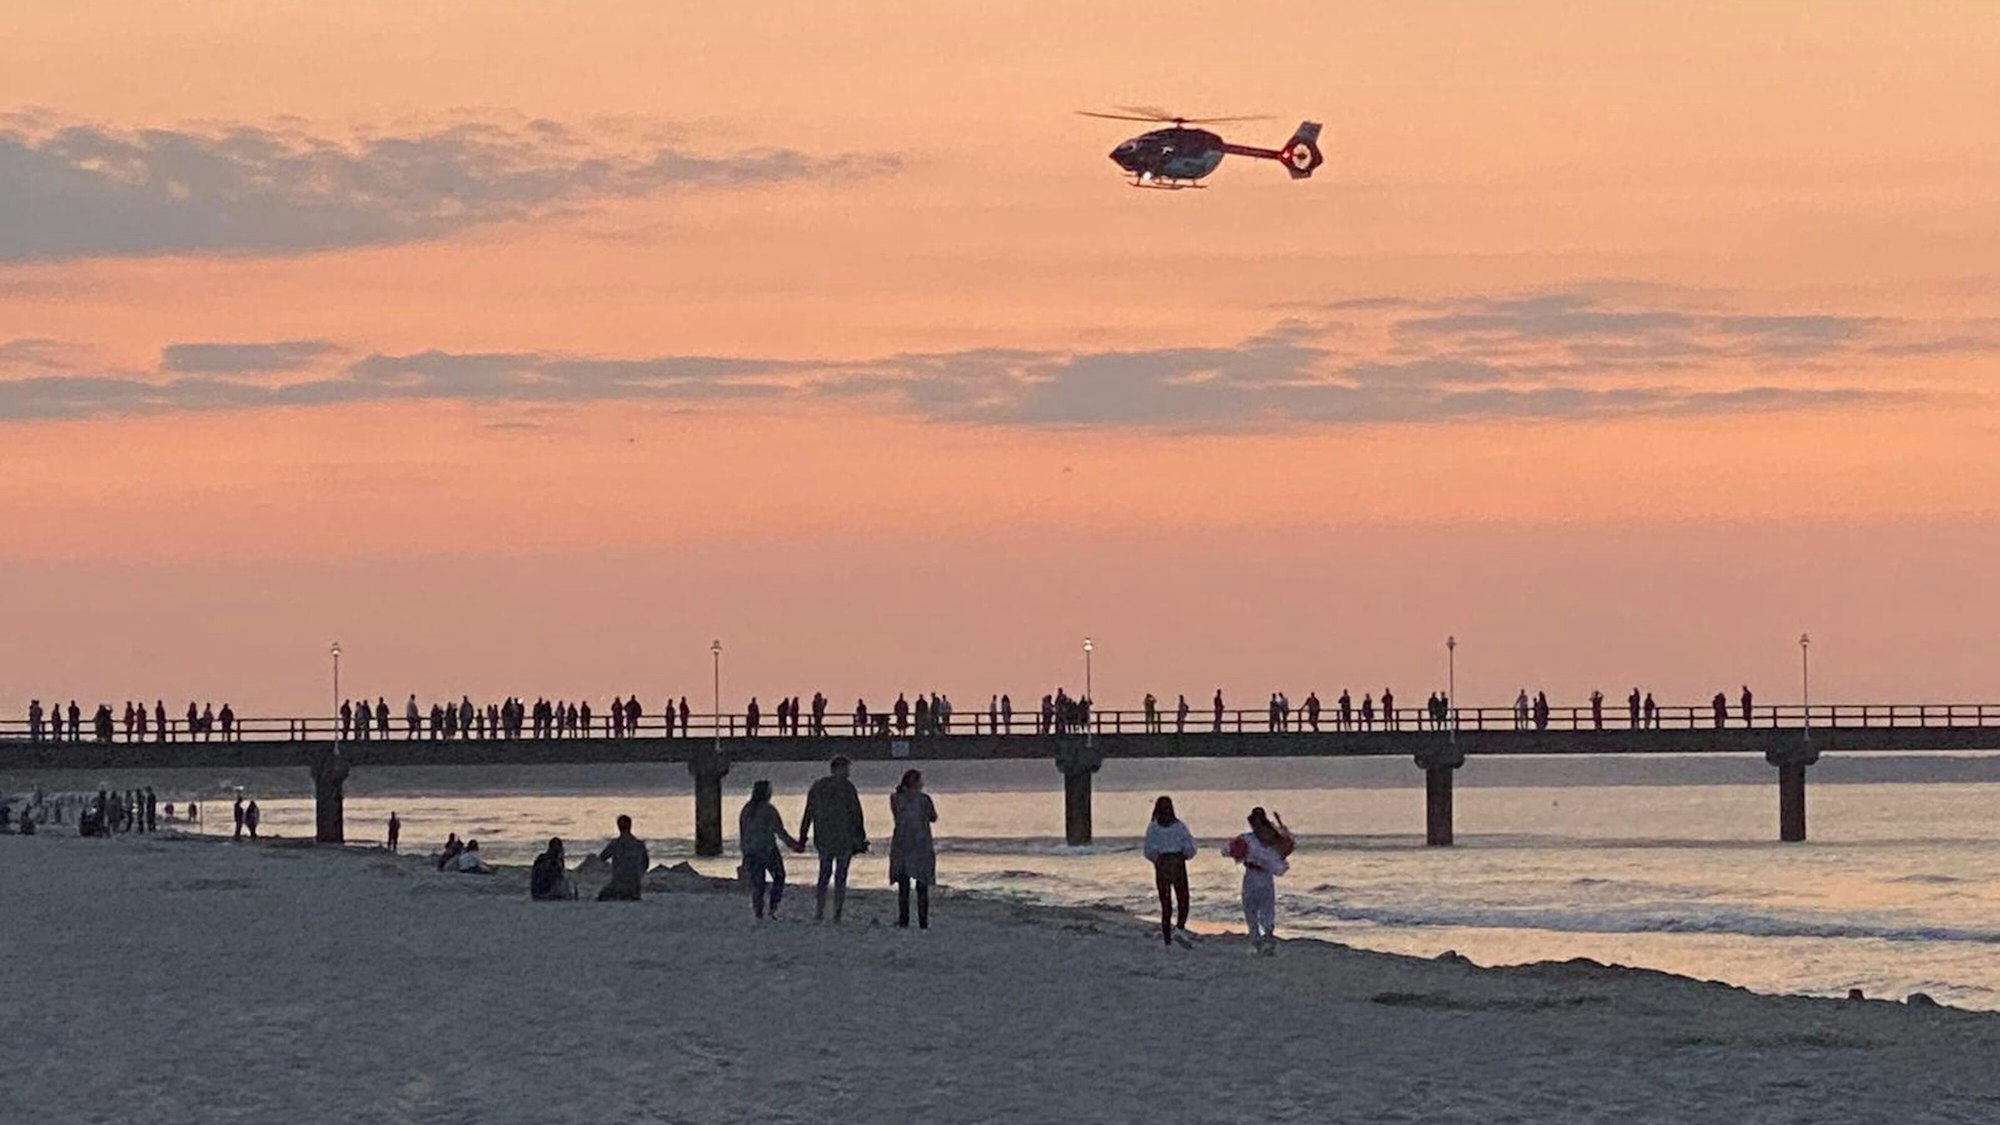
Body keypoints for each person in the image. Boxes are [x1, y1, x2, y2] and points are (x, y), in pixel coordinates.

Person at [798, 756, 867, 923]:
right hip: (842, 838)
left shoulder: (818, 786)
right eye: (846, 769)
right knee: (839, 876)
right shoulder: (847, 788)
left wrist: (803, 836)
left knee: (825, 874)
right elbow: (856, 814)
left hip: (824, 838)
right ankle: (836, 913)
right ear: (837, 769)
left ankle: (821, 911)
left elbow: (809, 813)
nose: (848, 772)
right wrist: (860, 837)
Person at [1221, 807, 1293, 956]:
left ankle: (1266, 937)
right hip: (1253, 876)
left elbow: (1281, 865)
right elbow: (1225, 851)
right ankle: (1257, 939)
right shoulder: (1248, 839)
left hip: (1263, 877)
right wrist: (1236, 850)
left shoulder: (1271, 840)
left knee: (1264, 908)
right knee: (1251, 908)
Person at [739, 780, 802, 919]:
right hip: (767, 850)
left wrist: (744, 852)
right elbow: (780, 832)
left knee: (758, 883)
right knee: (779, 877)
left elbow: (743, 833)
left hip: (750, 851)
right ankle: (773, 908)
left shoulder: (746, 809)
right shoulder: (768, 809)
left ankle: (758, 913)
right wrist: (795, 846)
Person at [1144, 796, 1197, 948]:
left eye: (1168, 807)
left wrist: (1185, 854)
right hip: (1163, 865)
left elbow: (1190, 846)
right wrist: (1158, 858)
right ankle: (1167, 937)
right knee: (1166, 903)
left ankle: (1180, 928)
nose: (1166, 811)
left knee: (1183, 899)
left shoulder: (1179, 826)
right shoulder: (1153, 827)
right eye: (1163, 808)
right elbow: (1148, 850)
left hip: (1178, 862)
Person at [888, 769, 938, 930]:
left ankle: (904, 920)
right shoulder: (924, 799)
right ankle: (923, 922)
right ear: (917, 782)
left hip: (902, 843)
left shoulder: (896, 798)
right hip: (920, 842)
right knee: (921, 886)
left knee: (904, 886)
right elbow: (933, 817)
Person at [596, 814, 650, 901]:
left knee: (602, 896)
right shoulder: (639, 844)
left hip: (618, 884)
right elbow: (646, 864)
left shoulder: (615, 844)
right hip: (635, 887)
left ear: (618, 827)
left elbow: (602, 857)